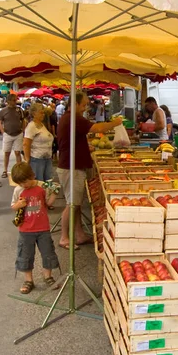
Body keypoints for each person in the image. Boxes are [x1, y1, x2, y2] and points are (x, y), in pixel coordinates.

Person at [57, 91, 123, 250]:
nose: (86, 107)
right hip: (71, 167)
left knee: (76, 204)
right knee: (72, 204)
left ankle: (79, 235)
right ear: (75, 104)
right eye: (84, 104)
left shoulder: (70, 118)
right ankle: (64, 237)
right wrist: (116, 123)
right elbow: (97, 127)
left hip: (73, 165)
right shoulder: (74, 118)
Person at [11, 162, 60, 295]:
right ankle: (28, 280)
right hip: (25, 229)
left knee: (48, 252)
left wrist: (54, 194)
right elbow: (13, 207)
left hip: (43, 227)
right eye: (20, 183)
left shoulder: (42, 186)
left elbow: (48, 204)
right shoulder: (18, 190)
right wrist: (19, 204)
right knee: (25, 255)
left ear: (32, 176)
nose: (24, 185)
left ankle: (48, 276)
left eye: (25, 182)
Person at [23, 103, 54, 182]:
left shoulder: (41, 125)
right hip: (37, 159)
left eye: (43, 112)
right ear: (34, 113)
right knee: (38, 182)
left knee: (48, 181)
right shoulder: (31, 126)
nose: (43, 114)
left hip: (47, 158)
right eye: (41, 112)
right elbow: (26, 144)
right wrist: (27, 159)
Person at [0, 94, 25, 178]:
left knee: (18, 152)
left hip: (18, 133)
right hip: (8, 134)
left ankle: (19, 171)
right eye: (13, 100)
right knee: (7, 153)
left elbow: (23, 120)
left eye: (15, 100)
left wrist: (23, 130)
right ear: (8, 101)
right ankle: (5, 170)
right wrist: (2, 131)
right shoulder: (3, 111)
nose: (15, 102)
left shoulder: (19, 110)